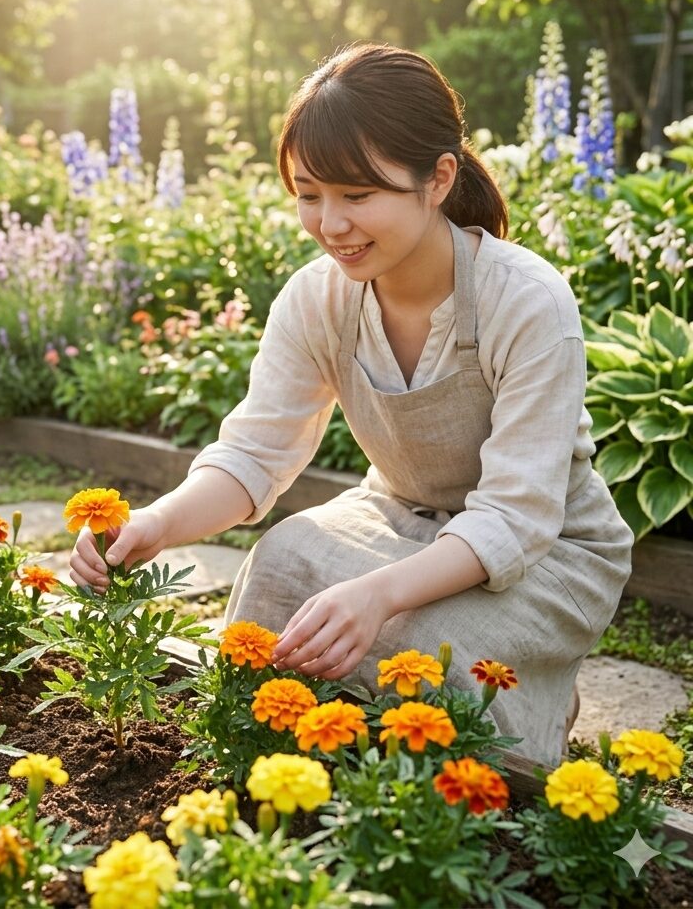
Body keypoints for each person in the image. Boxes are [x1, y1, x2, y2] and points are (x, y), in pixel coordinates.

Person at [68, 42, 633, 766]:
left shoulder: (525, 301)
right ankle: (282, 765)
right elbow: (253, 454)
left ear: (437, 179)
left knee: (423, 646)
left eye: (357, 195)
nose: (330, 224)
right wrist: (152, 524)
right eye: (309, 194)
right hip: (399, 516)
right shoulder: (317, 297)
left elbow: (518, 518)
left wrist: (378, 595)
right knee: (279, 567)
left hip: (550, 547)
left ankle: (525, 724)